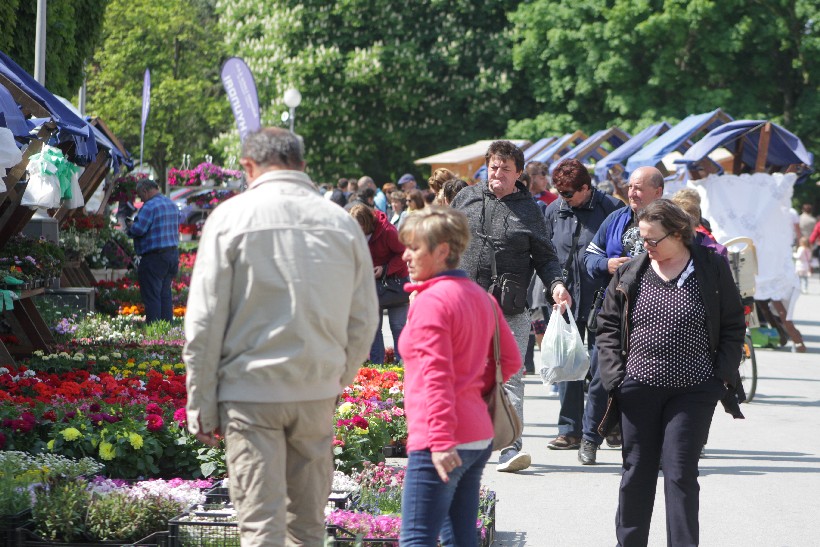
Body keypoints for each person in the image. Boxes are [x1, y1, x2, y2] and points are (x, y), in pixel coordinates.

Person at [184, 128, 378, 546]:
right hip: (315, 389)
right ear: (303, 166)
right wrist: (336, 377)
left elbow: (203, 321)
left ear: (249, 167)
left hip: (250, 393)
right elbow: (364, 319)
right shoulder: (342, 224)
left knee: (260, 526)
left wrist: (201, 401)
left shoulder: (230, 218)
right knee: (308, 526)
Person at [596, 199, 745, 547]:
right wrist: (616, 377)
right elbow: (606, 325)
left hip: (693, 390)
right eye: (641, 239)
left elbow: (734, 325)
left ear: (678, 234)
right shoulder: (633, 270)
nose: (645, 247)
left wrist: (719, 377)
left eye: (652, 240)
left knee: (680, 474)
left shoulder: (711, 267)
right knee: (637, 473)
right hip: (638, 388)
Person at [398, 206, 521, 546]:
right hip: (476, 432)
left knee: (416, 538)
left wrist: (439, 438)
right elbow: (509, 361)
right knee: (460, 537)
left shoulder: (430, 301)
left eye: (414, 247)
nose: (406, 256)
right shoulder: (480, 296)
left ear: (442, 251)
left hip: (441, 437)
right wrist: (471, 391)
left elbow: (433, 376)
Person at [452, 140, 571, 473]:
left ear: (518, 173)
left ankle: (510, 447)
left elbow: (546, 257)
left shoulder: (529, 208)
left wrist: (557, 285)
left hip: (511, 306)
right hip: (465, 304)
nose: (498, 173)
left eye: (505, 168)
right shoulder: (466, 199)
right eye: (493, 166)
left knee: (511, 376)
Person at [579, 166, 664, 465]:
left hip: (658, 316)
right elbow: (588, 257)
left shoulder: (673, 222)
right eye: (630, 187)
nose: (632, 193)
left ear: (658, 192)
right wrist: (608, 265)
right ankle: (590, 439)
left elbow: (694, 256)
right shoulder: (615, 219)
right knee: (603, 378)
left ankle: (651, 446)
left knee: (654, 383)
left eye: (639, 188)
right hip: (614, 313)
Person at [541, 159, 624, 451]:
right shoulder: (554, 210)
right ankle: (570, 430)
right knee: (568, 365)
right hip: (565, 298)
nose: (563, 199)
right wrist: (553, 287)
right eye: (559, 193)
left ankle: (607, 425)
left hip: (603, 300)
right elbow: (547, 253)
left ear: (586, 188)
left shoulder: (612, 209)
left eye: (568, 194)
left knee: (603, 368)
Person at [349, 204, 409, 364]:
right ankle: (377, 366)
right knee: (373, 328)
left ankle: (403, 364)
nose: (357, 229)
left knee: (397, 326)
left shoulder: (388, 231)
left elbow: (403, 254)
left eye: (360, 226)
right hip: (372, 287)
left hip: (395, 284)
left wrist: (385, 269)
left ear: (368, 222)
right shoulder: (355, 234)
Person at [126, 178, 180, 324]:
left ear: (145, 191)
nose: (141, 199)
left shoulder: (149, 207)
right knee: (165, 295)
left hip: (154, 257)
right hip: (172, 255)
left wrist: (130, 226)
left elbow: (139, 229)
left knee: (152, 296)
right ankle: (166, 331)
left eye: (140, 195)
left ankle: (154, 331)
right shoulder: (172, 204)